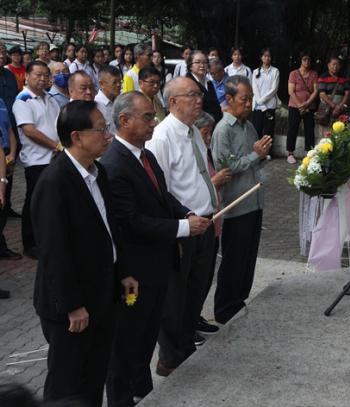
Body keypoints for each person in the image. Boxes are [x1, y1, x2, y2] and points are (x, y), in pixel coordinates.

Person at [101, 92, 209, 406]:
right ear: (124, 121)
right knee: (126, 341)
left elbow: (162, 196)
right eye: (147, 117)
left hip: (158, 267)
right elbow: (131, 222)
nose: (154, 123)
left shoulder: (144, 155)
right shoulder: (115, 164)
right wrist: (184, 228)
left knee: (147, 335)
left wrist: (184, 213)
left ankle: (142, 388)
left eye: (153, 115)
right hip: (133, 275)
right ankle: (121, 398)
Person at [32, 100, 125, 406]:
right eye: (101, 129)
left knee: (93, 377)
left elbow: (109, 231)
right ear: (77, 137)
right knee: (66, 385)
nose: (107, 135)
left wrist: (122, 273)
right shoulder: (55, 182)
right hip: (72, 308)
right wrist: (72, 305)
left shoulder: (98, 173)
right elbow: (53, 251)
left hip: (102, 296)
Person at [146, 77, 215, 375]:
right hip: (183, 228)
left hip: (205, 223)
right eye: (191, 95)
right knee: (175, 296)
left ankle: (186, 346)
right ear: (173, 102)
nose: (198, 100)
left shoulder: (193, 131)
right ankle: (169, 357)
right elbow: (160, 191)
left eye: (199, 94)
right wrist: (176, 228)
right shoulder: (161, 137)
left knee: (196, 290)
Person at [212, 75, 270, 324]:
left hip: (254, 199)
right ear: (229, 99)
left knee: (248, 256)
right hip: (236, 203)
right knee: (234, 259)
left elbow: (255, 154)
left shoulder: (248, 125)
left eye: (251, 99)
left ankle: (239, 299)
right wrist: (254, 156)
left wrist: (261, 155)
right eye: (244, 99)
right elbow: (225, 165)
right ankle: (225, 308)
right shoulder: (223, 130)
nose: (249, 104)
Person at [13, 61, 61, 259]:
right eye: (37, 75)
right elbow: (29, 130)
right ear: (27, 76)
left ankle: (47, 240)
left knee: (50, 203)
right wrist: (55, 145)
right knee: (34, 202)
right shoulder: (22, 100)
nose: (42, 79)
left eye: (45, 75)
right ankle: (30, 243)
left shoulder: (50, 98)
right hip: (36, 160)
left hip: (53, 158)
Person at [194, 111, 230, 337]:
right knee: (195, 279)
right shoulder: (189, 151)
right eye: (204, 133)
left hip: (213, 221)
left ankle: (196, 316)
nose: (208, 138)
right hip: (197, 222)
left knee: (206, 277)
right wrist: (212, 181)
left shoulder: (206, 151)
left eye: (209, 133)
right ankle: (187, 324)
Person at [285, 51, 318, 164]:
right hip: (295, 106)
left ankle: (309, 153)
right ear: (301, 60)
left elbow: (315, 91)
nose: (307, 62)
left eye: (309, 60)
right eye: (304, 59)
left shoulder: (314, 74)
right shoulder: (293, 74)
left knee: (309, 130)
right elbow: (291, 91)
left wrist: (307, 103)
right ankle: (290, 153)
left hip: (309, 106)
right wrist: (299, 105)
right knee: (292, 129)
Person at [0, 97, 19, 261]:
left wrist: (12, 154)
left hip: (7, 159)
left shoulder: (1, 102)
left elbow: (10, 130)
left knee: (4, 206)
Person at [316, 55, 350, 137]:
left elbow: (347, 93)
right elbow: (322, 94)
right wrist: (333, 105)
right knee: (325, 135)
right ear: (328, 65)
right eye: (333, 64)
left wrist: (340, 106)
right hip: (326, 110)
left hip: (340, 111)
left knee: (339, 134)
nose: (335, 66)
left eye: (337, 64)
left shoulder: (343, 78)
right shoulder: (323, 77)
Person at [186, 50, 222, 123]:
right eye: (198, 62)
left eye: (204, 62)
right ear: (190, 66)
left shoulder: (209, 83)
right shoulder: (188, 83)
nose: (202, 65)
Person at [251, 48, 279, 139]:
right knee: (256, 130)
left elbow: (274, 89)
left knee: (268, 132)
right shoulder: (255, 72)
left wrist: (261, 101)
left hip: (270, 106)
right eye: (265, 56)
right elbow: (255, 90)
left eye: (269, 56)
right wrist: (262, 105)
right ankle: (256, 153)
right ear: (261, 57)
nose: (267, 58)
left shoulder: (275, 71)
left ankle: (267, 153)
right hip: (258, 107)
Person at [95, 66, 123, 135]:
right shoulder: (96, 105)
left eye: (120, 81)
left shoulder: (121, 99)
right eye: (114, 82)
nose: (119, 85)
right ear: (101, 84)